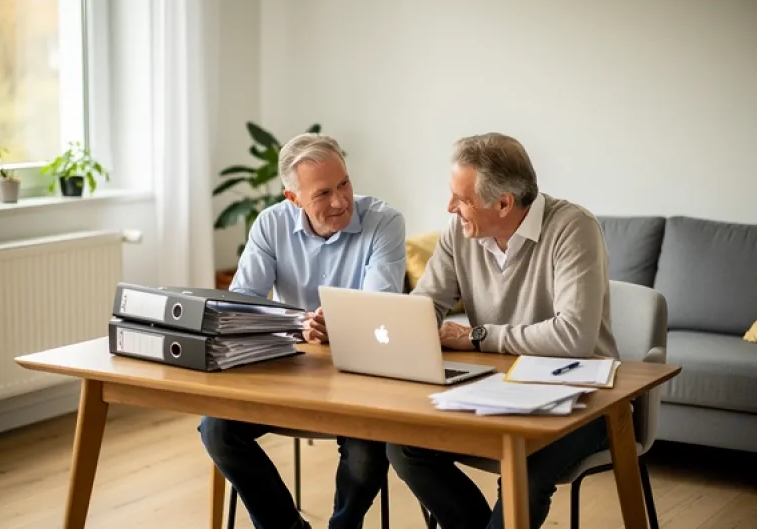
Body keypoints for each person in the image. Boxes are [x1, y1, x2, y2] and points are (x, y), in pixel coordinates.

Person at [386, 132, 619, 529]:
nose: (450, 207)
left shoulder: (573, 228)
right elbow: (426, 306)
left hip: (585, 396)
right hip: (496, 387)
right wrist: (387, 323)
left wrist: (478, 336)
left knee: (526, 467)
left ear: (504, 203)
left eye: (462, 199)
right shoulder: (459, 233)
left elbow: (572, 337)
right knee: (405, 446)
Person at [199, 133, 406, 529]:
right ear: (294, 199)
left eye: (344, 183)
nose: (341, 201)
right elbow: (241, 305)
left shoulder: (385, 223)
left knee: (368, 449)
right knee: (216, 429)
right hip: (289, 372)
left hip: (359, 375)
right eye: (323, 193)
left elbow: (381, 310)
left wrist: (341, 326)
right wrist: (299, 324)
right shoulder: (270, 225)